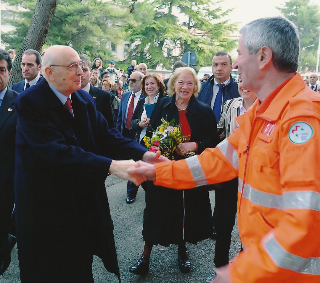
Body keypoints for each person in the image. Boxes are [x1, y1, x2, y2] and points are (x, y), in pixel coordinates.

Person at [128, 17, 320, 283]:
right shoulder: (260, 113)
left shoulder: (303, 118)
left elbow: (306, 219)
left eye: (240, 53)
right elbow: (217, 161)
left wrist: (240, 273)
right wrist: (157, 172)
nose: (236, 62)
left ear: (264, 56)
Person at [14, 45, 166, 283]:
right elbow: (57, 153)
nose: (81, 71)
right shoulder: (29, 103)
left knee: (80, 267)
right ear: (49, 72)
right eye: (72, 66)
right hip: (46, 211)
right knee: (48, 271)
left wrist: (144, 154)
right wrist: (112, 166)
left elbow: (106, 136)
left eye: (80, 65)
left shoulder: (82, 97)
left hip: (80, 207)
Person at [129, 67, 219, 276]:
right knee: (154, 210)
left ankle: (182, 251)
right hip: (162, 166)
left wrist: (195, 144)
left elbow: (213, 141)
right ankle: (145, 256)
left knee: (183, 212)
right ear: (173, 85)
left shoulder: (203, 110)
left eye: (189, 83)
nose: (185, 87)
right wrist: (154, 145)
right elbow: (151, 132)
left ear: (195, 86)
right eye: (181, 82)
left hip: (187, 170)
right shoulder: (163, 104)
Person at [206, 81, 256, 282]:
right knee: (223, 223)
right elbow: (220, 132)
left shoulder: (267, 106)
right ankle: (220, 269)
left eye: (251, 83)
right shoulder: (230, 105)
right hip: (229, 173)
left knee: (250, 224)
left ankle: (246, 266)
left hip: (254, 176)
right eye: (242, 82)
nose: (246, 86)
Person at [0, 49, 18, 276]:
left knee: (3, 220)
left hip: (6, 178)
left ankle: (3, 257)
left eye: (1, 70)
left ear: (9, 73)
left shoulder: (19, 103)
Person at [117, 71, 145, 204]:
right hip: (125, 134)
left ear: (141, 82)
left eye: (134, 80)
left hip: (138, 135)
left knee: (135, 164)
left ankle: (131, 192)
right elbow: (120, 117)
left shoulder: (146, 98)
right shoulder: (126, 95)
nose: (130, 83)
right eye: (130, 80)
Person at [80, 55, 115, 128]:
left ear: (91, 71)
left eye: (84, 70)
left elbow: (110, 126)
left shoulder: (103, 96)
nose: (81, 74)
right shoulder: (66, 94)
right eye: (78, 70)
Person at [130, 73, 166, 143]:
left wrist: (152, 121)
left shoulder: (164, 101)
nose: (149, 87)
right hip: (141, 141)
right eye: (146, 84)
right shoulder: (142, 101)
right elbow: (132, 121)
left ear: (158, 85)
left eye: (152, 83)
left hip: (158, 143)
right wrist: (139, 124)